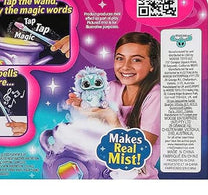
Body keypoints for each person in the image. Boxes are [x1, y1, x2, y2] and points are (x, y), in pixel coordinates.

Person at [67, 32, 161, 179]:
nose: (125, 66)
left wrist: (112, 118)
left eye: (136, 60)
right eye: (120, 58)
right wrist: (86, 109)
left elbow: (136, 153)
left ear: (152, 65)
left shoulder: (157, 96)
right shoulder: (111, 88)